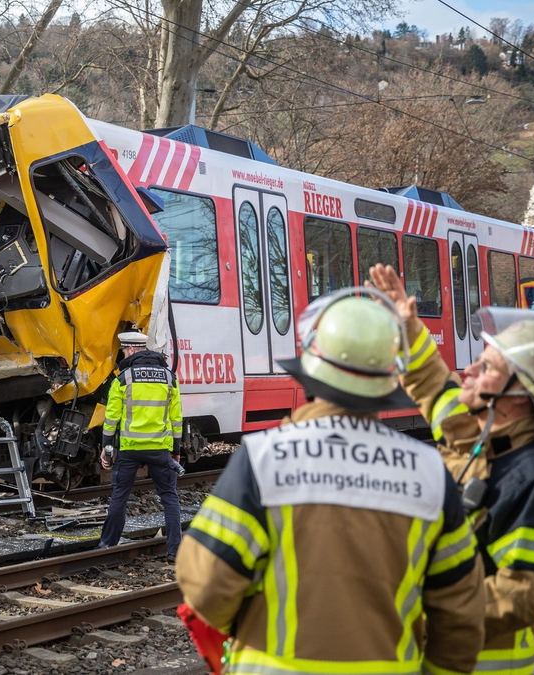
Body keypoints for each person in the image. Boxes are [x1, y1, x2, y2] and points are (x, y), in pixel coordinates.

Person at [175, 288, 485, 675]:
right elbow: (460, 613)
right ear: (389, 382)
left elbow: (205, 587)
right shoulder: (430, 473)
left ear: (310, 372)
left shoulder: (263, 459)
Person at [370, 263, 534, 675]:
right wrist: (408, 327)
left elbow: (533, 589)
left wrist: (431, 612)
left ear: (518, 394)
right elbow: (434, 385)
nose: (469, 371)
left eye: (487, 368)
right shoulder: (479, 435)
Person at [98, 331, 184, 562]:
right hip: (160, 450)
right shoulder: (169, 377)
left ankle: (107, 546)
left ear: (132, 350)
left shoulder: (122, 379)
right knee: (169, 497)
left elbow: (111, 419)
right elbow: (177, 420)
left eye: (125, 351)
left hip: (129, 450)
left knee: (120, 496)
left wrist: (107, 449)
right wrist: (176, 451)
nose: (124, 354)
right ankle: (175, 550)